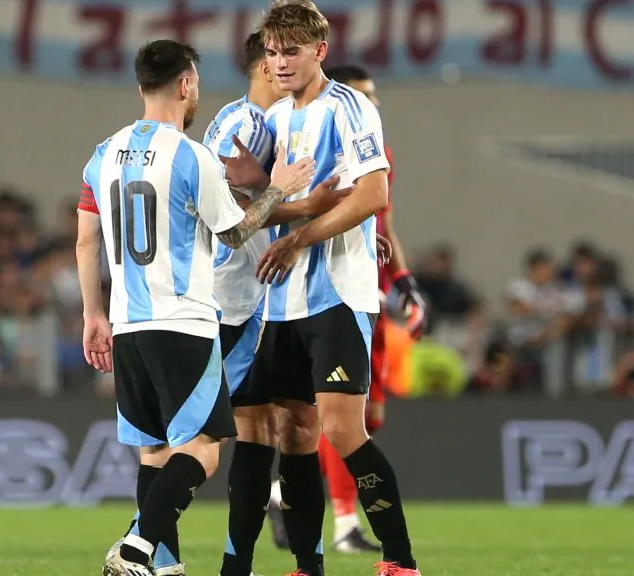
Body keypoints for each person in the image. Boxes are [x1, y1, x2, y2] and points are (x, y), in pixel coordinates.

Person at [76, 39, 317, 576]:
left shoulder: (102, 154)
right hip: (182, 323)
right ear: (185, 85)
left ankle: (163, 567)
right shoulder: (191, 155)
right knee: (204, 450)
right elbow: (234, 233)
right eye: (197, 86)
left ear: (141, 86)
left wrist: (94, 314)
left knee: (154, 454)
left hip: (127, 324)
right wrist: (276, 190)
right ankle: (137, 546)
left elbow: (86, 241)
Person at [224, 2, 427, 575]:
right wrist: (258, 194)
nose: (281, 61)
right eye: (272, 50)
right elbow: (260, 210)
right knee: (295, 433)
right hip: (280, 300)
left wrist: (299, 237)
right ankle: (308, 566)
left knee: (342, 428)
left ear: (320, 51)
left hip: (337, 294)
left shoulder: (350, 107)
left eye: (292, 50)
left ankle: (399, 561)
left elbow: (372, 195)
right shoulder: (276, 118)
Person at [277, 63, 425, 554]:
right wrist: (303, 232)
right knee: (330, 424)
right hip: (320, 295)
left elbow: (381, 218)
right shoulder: (315, 139)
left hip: (366, 292)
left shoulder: (376, 152)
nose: (371, 103)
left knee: (362, 419)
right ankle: (346, 529)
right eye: (362, 94)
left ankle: (293, 503)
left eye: (373, 95)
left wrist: (402, 278)